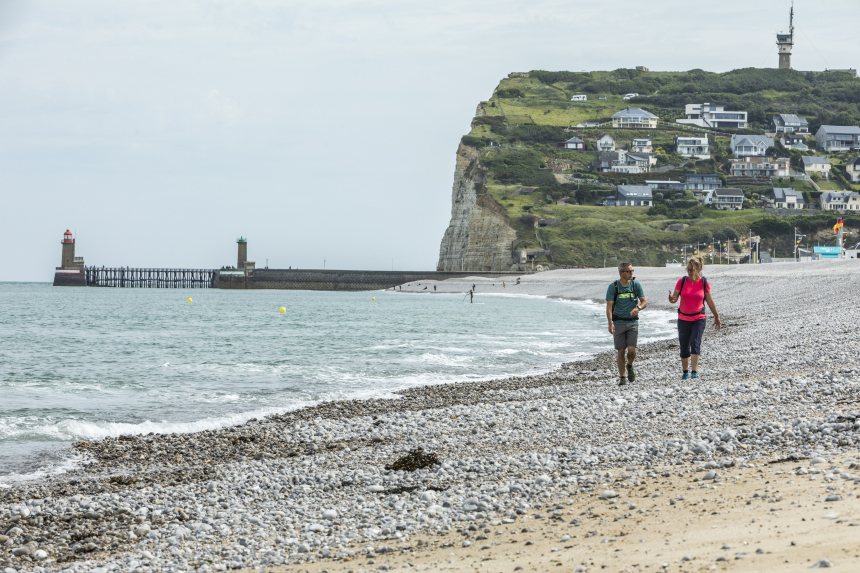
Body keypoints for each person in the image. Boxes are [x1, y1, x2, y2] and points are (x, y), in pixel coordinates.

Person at [668, 255, 722, 380]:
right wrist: (671, 299)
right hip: (683, 319)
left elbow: (709, 301)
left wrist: (716, 316)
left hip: (698, 318)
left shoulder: (703, 282)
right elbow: (674, 299)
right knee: (684, 345)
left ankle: (694, 372)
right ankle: (685, 372)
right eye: (688, 269)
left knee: (695, 342)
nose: (689, 272)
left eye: (691, 269)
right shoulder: (682, 281)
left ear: (698, 269)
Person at [606, 262, 647, 386]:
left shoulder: (636, 285)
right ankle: (622, 377)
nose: (631, 273)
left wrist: (638, 308)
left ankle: (629, 365)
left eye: (632, 271)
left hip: (632, 323)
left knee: (631, 350)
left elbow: (644, 301)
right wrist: (610, 323)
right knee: (620, 351)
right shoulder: (613, 286)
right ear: (621, 272)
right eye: (628, 271)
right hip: (618, 323)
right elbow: (609, 307)